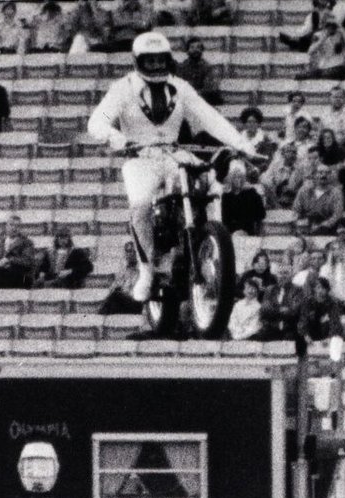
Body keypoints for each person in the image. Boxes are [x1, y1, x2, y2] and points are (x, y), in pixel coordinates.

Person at [86, 30, 259, 303]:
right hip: (140, 158)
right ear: (137, 61)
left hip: (174, 155)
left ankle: (215, 248)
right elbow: (97, 121)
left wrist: (243, 145)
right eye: (149, 60)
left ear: (168, 60)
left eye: (160, 60)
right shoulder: (123, 88)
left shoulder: (181, 88)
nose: (156, 66)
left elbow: (209, 117)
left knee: (211, 182)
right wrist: (117, 138)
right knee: (141, 204)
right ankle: (146, 271)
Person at [0, 214, 37, 289]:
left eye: (17, 226)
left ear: (20, 228)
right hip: (1, 274)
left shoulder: (27, 242)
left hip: (20, 276)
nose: (14, 228)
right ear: (6, 226)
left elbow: (28, 261)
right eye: (11, 225)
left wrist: (9, 260)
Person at [261, 253, 306, 339]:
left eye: (285, 273)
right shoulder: (270, 289)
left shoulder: (298, 289)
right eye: (280, 273)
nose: (282, 276)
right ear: (276, 276)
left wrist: (274, 310)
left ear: (291, 275)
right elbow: (265, 309)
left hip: (290, 327)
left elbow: (294, 310)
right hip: (272, 326)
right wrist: (281, 309)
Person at [292, 165, 345, 235]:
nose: (324, 175)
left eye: (327, 173)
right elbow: (296, 210)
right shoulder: (304, 190)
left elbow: (337, 214)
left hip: (327, 228)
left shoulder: (336, 192)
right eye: (320, 172)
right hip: (305, 226)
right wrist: (300, 224)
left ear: (331, 176)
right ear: (314, 175)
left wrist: (322, 226)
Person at [99, 241, 144, 315]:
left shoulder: (142, 270)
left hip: (136, 303)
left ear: (137, 254)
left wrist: (122, 292)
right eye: (128, 251)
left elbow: (137, 293)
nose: (130, 254)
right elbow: (113, 287)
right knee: (113, 299)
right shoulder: (123, 270)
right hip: (123, 301)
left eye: (133, 252)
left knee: (115, 296)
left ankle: (100, 316)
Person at [178, 36, 222, 104]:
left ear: (202, 50)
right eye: (192, 47)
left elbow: (208, 88)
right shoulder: (182, 67)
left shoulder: (207, 67)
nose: (195, 50)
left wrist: (195, 94)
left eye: (198, 47)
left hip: (202, 99)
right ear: (187, 50)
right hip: (186, 98)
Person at [228, 275, 266, 340]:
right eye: (248, 288)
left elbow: (254, 327)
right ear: (244, 290)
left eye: (253, 288)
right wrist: (236, 332)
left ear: (257, 291)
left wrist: (241, 336)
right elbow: (232, 320)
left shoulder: (258, 307)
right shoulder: (238, 305)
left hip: (249, 338)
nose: (250, 291)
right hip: (234, 336)